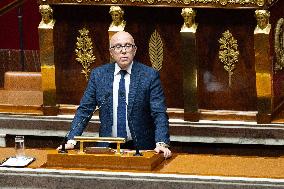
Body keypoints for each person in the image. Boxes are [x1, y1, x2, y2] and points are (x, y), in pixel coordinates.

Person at [58, 31, 172, 158]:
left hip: (141, 148)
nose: (123, 51)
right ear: (111, 52)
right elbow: (85, 110)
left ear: (134, 50)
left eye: (128, 46)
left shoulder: (149, 75)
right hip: (108, 148)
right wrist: (71, 139)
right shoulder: (99, 75)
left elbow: (159, 112)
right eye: (118, 46)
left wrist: (161, 142)